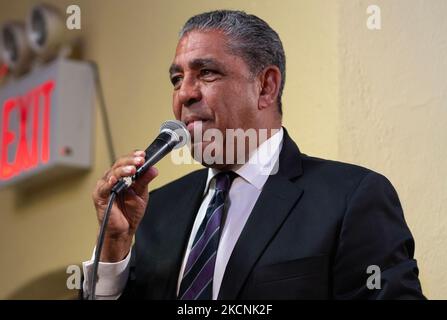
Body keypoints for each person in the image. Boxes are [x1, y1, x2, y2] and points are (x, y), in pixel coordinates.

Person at [82, 10, 425, 299]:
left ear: (266, 86)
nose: (184, 93)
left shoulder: (351, 198)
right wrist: (114, 246)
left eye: (206, 73)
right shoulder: (155, 210)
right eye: (176, 78)